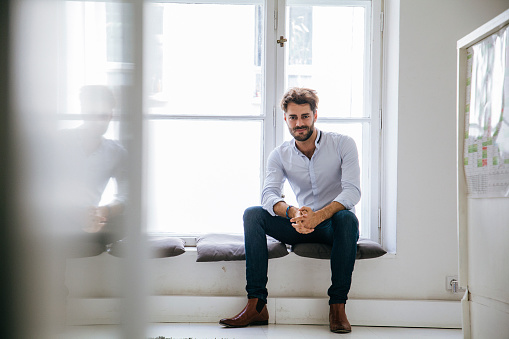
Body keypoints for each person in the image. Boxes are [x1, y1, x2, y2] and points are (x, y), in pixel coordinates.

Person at [219, 88, 361, 334]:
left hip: (331, 225)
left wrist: (319, 216)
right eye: (293, 117)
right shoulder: (280, 154)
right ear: (285, 118)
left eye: (305, 116)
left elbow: (351, 192)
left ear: (315, 115)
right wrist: (294, 213)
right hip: (299, 223)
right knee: (253, 214)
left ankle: (337, 306)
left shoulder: (343, 144)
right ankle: (257, 304)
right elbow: (268, 195)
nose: (299, 123)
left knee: (347, 219)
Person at [59, 85, 128, 253]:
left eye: (104, 115)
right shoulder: (60, 140)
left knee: (125, 221)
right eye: (93, 115)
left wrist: (103, 210)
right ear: (84, 112)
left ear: (111, 115)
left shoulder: (116, 152)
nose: (98, 121)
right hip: (56, 216)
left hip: (91, 221)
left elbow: (128, 195)